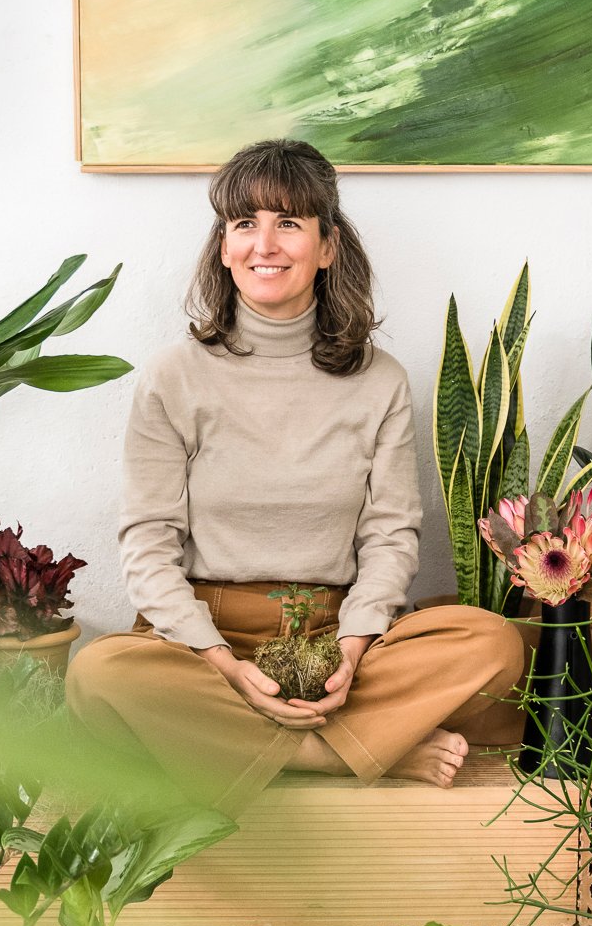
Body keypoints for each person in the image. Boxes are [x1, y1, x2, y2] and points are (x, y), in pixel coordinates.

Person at [67, 139, 524, 815]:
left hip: (337, 636)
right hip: (206, 645)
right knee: (98, 675)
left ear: (327, 246)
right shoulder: (174, 377)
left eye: (288, 223)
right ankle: (341, 756)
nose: (264, 244)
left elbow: (392, 536)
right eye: (243, 224)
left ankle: (249, 752)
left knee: (492, 642)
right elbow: (147, 543)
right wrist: (223, 661)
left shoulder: (380, 381)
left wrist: (351, 650)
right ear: (223, 248)